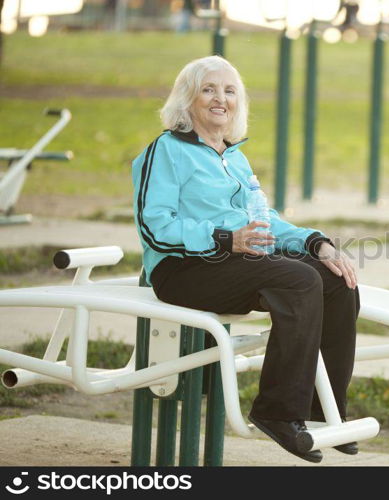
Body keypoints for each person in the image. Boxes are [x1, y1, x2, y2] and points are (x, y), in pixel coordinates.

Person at [131, 55, 360, 463]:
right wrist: (224, 239)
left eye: (230, 91)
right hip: (182, 269)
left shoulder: (233, 157)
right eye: (209, 89)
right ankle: (276, 410)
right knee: (299, 281)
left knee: (334, 279)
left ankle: (322, 412)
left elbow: (264, 223)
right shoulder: (166, 151)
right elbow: (155, 226)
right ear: (188, 100)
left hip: (235, 263)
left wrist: (317, 244)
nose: (221, 99)